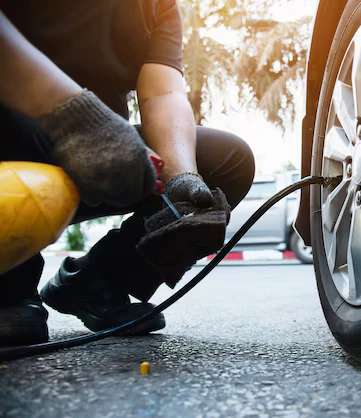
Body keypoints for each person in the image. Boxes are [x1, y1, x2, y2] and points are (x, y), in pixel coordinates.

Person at [0, 1, 255, 344]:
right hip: (16, 142)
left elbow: (163, 92)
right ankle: (10, 289)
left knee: (228, 160)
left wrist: (182, 179)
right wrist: (75, 118)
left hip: (101, 154)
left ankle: (97, 281)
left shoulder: (156, 6)